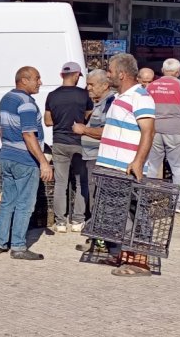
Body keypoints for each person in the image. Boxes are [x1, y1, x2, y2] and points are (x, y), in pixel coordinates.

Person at [96, 54, 155, 277]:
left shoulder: (140, 96)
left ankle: (140, 263)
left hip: (126, 168)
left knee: (134, 214)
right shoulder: (119, 97)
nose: (107, 74)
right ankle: (122, 255)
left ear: (121, 74)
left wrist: (138, 162)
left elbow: (149, 131)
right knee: (116, 214)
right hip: (112, 167)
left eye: (109, 71)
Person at [0, 66, 52, 260]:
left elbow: (1, 129)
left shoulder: (6, 99)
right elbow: (28, 134)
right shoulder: (26, 103)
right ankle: (18, 246)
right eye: (37, 78)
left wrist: (9, 148)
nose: (40, 82)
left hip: (7, 156)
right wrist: (43, 162)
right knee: (25, 204)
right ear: (24, 80)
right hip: (25, 160)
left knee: (7, 201)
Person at [44, 62, 93, 233]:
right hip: (79, 143)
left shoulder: (52, 96)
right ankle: (78, 221)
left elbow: (48, 121)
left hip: (59, 142)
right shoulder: (84, 95)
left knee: (61, 183)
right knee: (81, 183)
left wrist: (61, 120)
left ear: (61, 75)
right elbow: (88, 116)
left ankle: (60, 222)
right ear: (77, 75)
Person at [72, 69, 114, 252]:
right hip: (92, 156)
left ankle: (101, 241)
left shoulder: (110, 103)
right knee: (95, 196)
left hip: (99, 157)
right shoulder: (100, 103)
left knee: (98, 197)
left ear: (105, 85)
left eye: (91, 84)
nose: (87, 87)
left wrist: (84, 130)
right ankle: (97, 238)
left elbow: (108, 131)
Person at [145, 58, 180, 213]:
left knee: (152, 165)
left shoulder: (151, 87)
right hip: (177, 132)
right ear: (178, 72)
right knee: (179, 168)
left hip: (154, 130)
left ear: (162, 71)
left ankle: (146, 197)